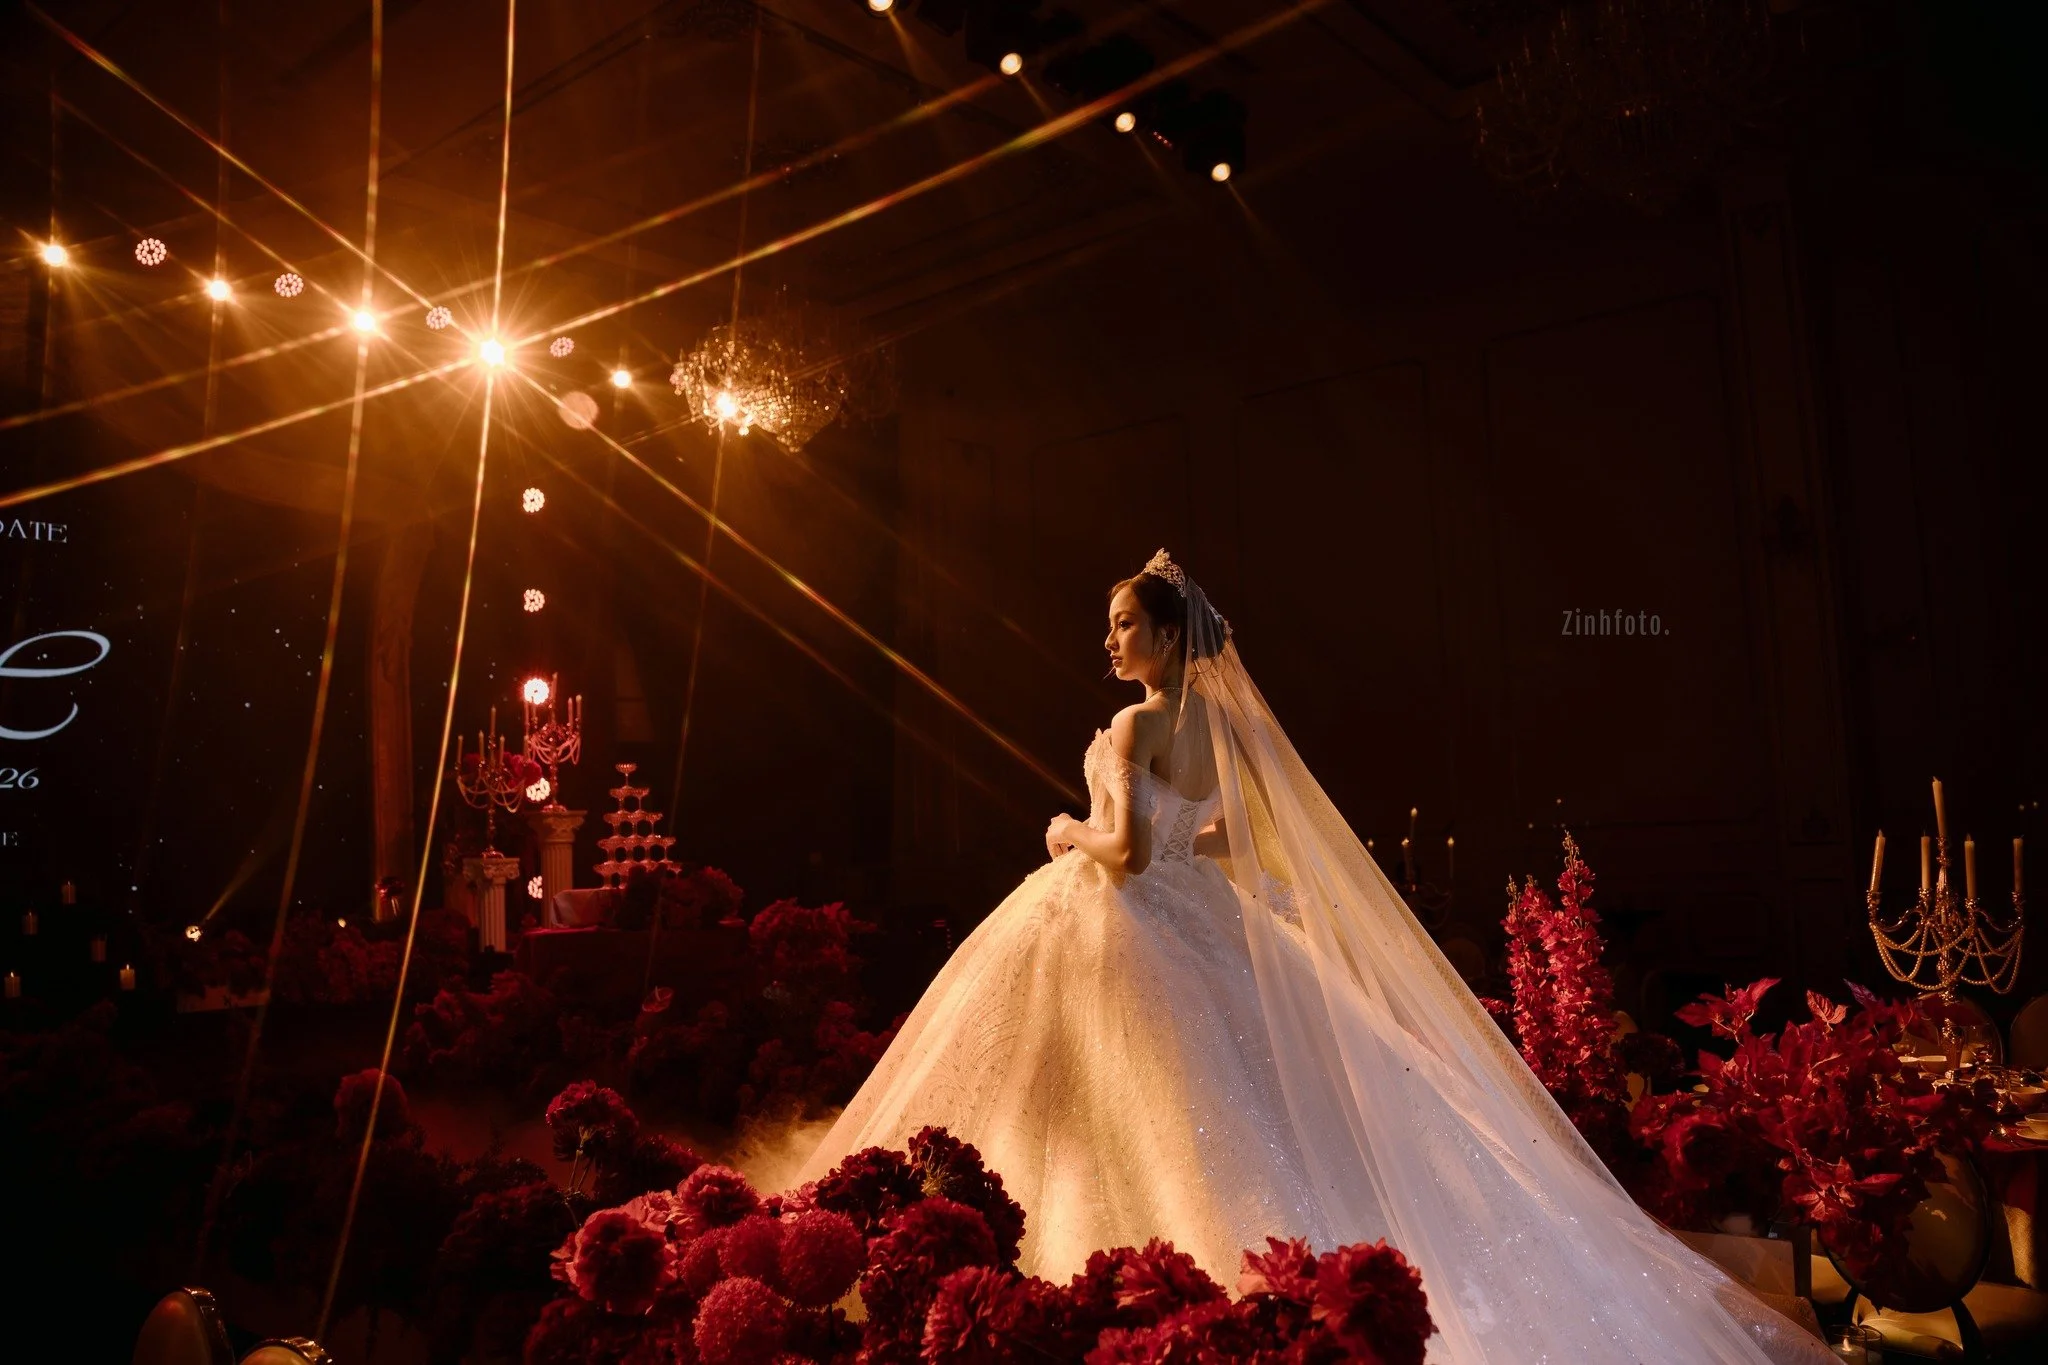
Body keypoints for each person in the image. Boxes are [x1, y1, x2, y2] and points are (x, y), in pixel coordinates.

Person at [796, 550, 1833, 1364]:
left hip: (1128, 922)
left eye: (1122, 624)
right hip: (1198, 919)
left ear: (1163, 634)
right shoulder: (1221, 730)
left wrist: (1066, 832)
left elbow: (1128, 853)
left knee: (1120, 1106)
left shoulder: (1135, 725)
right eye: (1108, 624)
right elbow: (1231, 838)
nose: (1106, 640)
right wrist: (1167, 843)